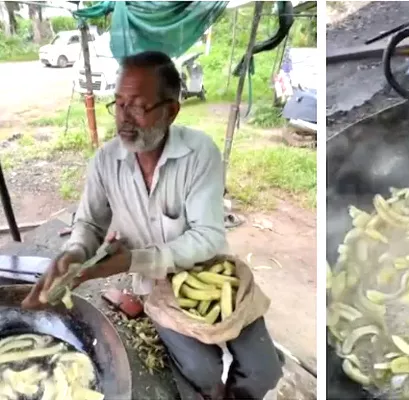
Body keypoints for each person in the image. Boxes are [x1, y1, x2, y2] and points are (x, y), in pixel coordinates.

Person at [21, 50, 283, 400]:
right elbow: (88, 222)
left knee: (264, 369)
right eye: (118, 104)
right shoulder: (105, 161)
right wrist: (75, 252)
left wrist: (131, 260)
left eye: (138, 106)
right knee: (201, 372)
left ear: (171, 110)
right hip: (157, 288)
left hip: (213, 276)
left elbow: (207, 238)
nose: (124, 119)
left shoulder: (199, 153)